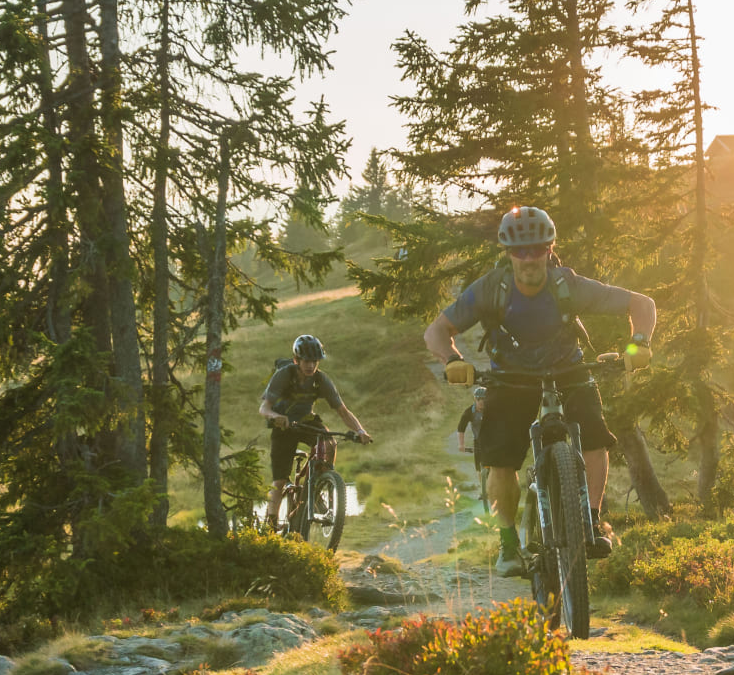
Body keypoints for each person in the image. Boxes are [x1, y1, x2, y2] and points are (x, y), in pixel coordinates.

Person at [423, 206, 654, 578]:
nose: (529, 258)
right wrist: (452, 360)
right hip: (510, 377)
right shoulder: (490, 289)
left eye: (537, 249)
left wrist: (638, 343)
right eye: (520, 250)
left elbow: (641, 304)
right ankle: (508, 543)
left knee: (593, 436)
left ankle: (591, 520)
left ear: (550, 248)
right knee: (501, 460)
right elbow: (437, 330)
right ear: (508, 252)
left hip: (568, 369)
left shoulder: (569, 285)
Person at [257, 334, 372, 530]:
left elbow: (342, 411)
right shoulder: (284, 375)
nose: (310, 366)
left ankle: (318, 484)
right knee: (279, 479)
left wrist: (360, 430)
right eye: (306, 361)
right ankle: (270, 524)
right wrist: (276, 417)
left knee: (329, 442)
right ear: (296, 360)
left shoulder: (320, 380)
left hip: (306, 422)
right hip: (283, 427)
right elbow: (263, 408)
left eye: (314, 361)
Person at [456, 386, 487, 456]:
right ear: (475, 399)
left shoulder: (493, 410)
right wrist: (461, 445)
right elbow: (461, 428)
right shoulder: (469, 412)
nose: (481, 401)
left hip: (493, 440)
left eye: (484, 399)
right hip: (478, 441)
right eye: (479, 399)